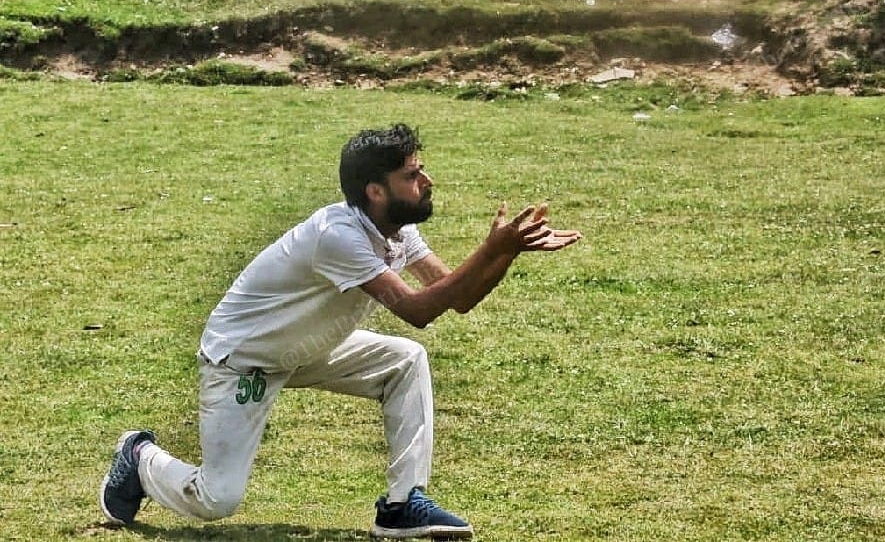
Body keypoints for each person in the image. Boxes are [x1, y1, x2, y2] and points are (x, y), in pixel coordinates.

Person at [99, 123, 582, 539]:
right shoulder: (339, 237)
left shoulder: (397, 230)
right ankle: (140, 457)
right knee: (216, 499)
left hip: (310, 347)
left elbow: (456, 296)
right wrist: (493, 248)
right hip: (245, 359)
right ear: (376, 191)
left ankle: (401, 504)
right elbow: (418, 310)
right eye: (412, 175)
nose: (426, 181)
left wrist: (506, 251)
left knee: (405, 359)